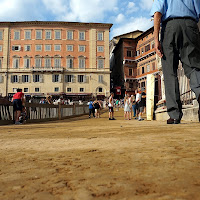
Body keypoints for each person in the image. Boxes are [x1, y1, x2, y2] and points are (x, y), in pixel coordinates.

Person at [151, 0, 200, 124]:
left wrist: (156, 40)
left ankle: (174, 115)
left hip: (169, 28)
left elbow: (157, 13)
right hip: (190, 26)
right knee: (194, 67)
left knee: (170, 72)